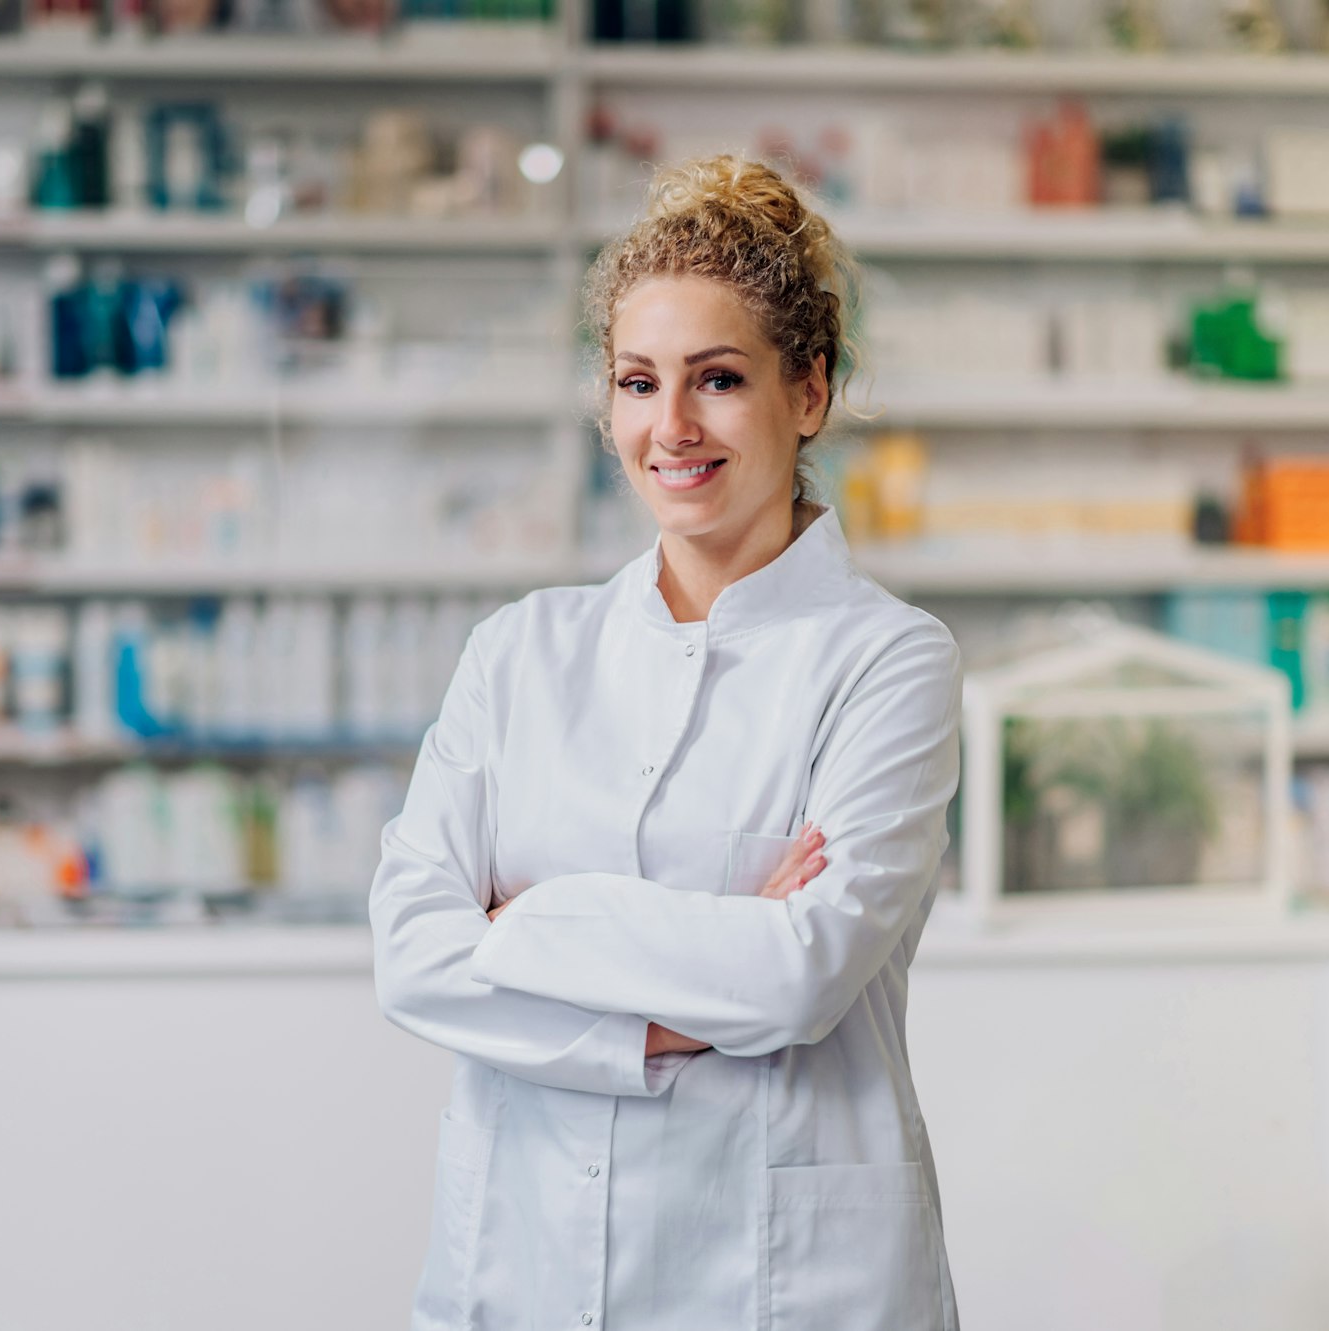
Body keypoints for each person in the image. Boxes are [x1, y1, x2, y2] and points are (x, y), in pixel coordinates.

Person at [369, 154, 963, 1331]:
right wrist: (700, 985)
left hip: (783, 1283)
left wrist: (527, 922)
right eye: (637, 382)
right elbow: (413, 954)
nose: (671, 426)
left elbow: (801, 972)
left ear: (808, 392)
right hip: (522, 1259)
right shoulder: (518, 652)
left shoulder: (887, 661)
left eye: (718, 378)